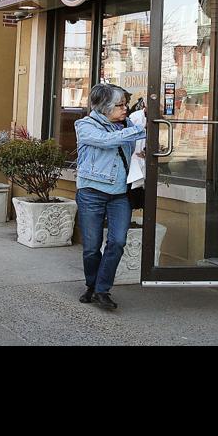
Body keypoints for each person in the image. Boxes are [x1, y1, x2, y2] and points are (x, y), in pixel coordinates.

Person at [74, 83, 147, 310]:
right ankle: (91, 286)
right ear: (105, 107)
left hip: (120, 195)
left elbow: (133, 146)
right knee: (91, 246)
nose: (125, 109)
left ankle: (102, 290)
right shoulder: (85, 125)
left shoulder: (126, 124)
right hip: (91, 193)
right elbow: (107, 141)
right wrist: (138, 129)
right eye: (120, 105)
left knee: (117, 241)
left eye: (126, 104)